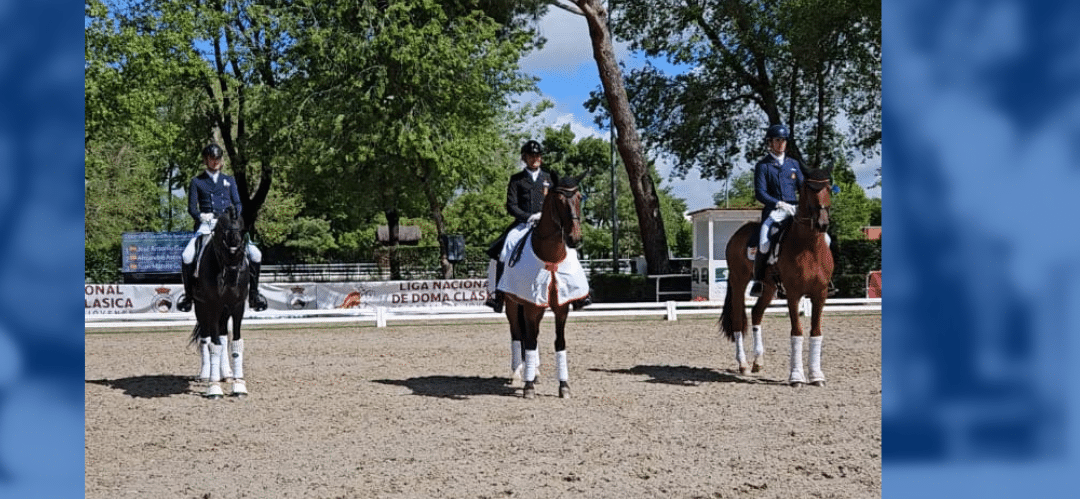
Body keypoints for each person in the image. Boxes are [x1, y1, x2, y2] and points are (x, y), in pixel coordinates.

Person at [176, 143, 268, 312]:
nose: (215, 161)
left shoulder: (229, 180)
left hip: (228, 225)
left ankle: (254, 295)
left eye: (218, 158)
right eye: (212, 159)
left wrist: (234, 216)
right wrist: (200, 216)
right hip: (207, 224)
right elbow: (191, 208)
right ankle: (188, 296)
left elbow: (238, 203)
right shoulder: (197, 181)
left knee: (256, 254)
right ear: (206, 160)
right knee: (187, 256)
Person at [749, 124, 804, 297]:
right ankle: (758, 281)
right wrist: (779, 204)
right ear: (770, 143)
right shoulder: (763, 166)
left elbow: (802, 187)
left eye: (784, 140)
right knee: (764, 244)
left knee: (824, 237)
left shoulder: (793, 164)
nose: (781, 144)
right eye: (777, 140)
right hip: (775, 211)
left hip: (795, 210)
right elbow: (760, 193)